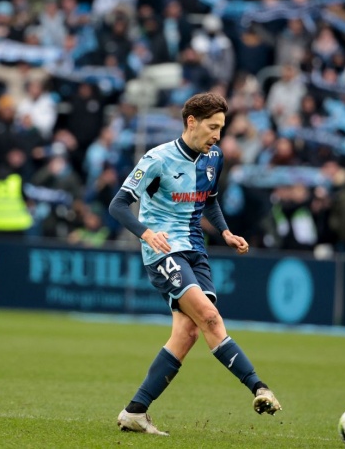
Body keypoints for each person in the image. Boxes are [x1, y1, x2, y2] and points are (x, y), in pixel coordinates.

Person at [108, 92, 281, 436]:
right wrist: (146, 234)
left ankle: (135, 412)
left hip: (196, 251)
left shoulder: (214, 158)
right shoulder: (157, 159)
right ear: (192, 122)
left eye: (221, 128)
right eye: (213, 127)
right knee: (210, 317)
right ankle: (259, 387)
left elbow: (209, 200)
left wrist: (226, 232)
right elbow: (118, 205)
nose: (218, 135)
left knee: (187, 333)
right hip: (163, 251)